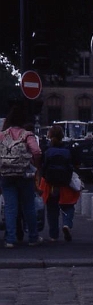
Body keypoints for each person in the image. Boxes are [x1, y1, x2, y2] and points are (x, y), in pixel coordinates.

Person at [0, 103, 42, 247]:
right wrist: (34, 164)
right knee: (28, 206)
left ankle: (10, 239)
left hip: (6, 174)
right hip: (24, 174)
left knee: (10, 208)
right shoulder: (27, 135)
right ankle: (33, 237)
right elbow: (36, 151)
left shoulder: (2, 135)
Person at [38, 125, 80, 242]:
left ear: (49, 136)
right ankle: (67, 224)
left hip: (50, 184)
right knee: (68, 206)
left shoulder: (46, 149)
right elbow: (77, 164)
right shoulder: (69, 149)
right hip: (66, 183)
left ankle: (53, 235)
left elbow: (41, 166)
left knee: (52, 210)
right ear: (62, 135)